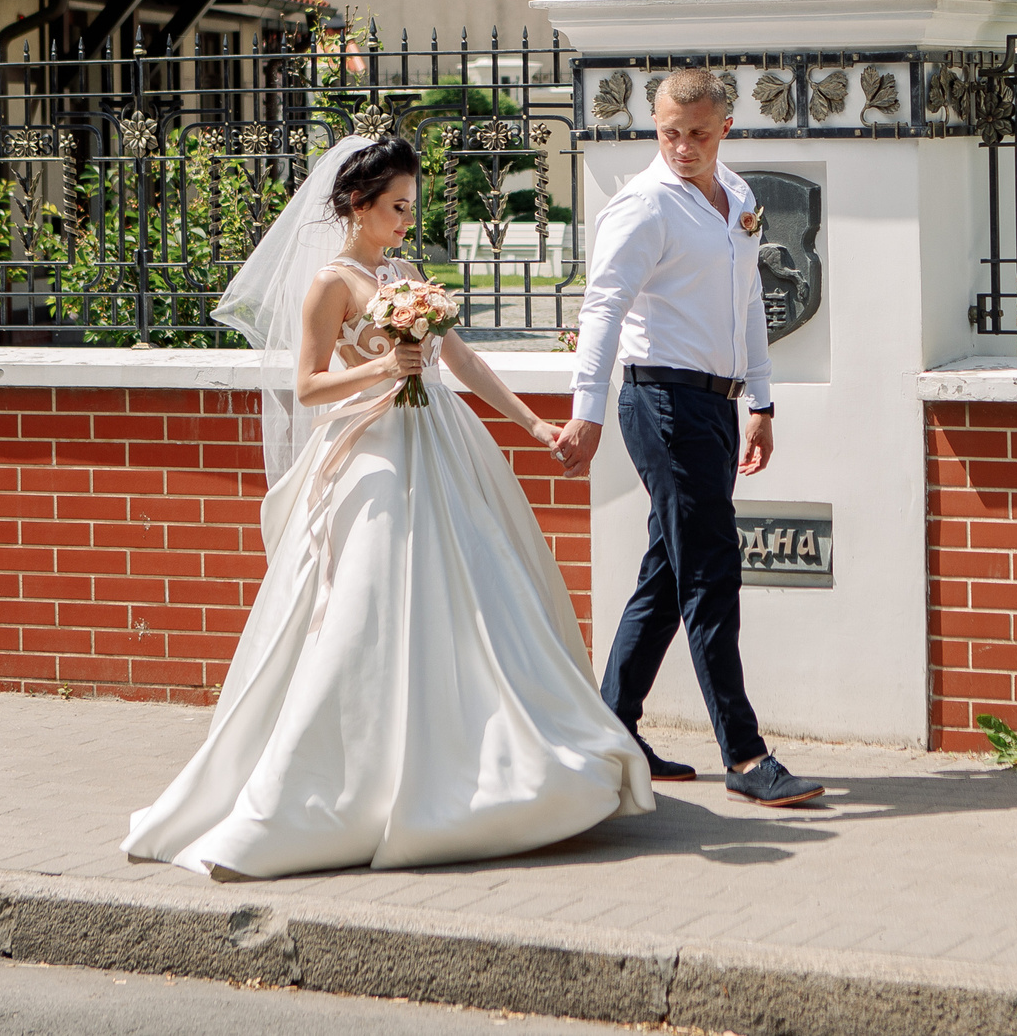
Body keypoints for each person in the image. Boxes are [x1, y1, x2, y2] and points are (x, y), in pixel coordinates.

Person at [123, 135, 652, 878]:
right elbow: (306, 386)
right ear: (359, 204)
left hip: (440, 439)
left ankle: (488, 756)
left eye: (412, 205)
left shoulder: (405, 273)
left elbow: (459, 358)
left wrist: (534, 425)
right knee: (369, 604)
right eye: (397, 206)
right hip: (373, 453)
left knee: (480, 592)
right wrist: (381, 365)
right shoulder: (329, 284)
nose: (408, 218)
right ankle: (342, 785)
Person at [552, 68, 824, 808]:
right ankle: (744, 752)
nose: (681, 146)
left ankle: (611, 725)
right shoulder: (643, 205)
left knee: (670, 571)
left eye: (697, 133)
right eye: (669, 132)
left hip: (715, 406)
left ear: (724, 127)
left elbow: (748, 309)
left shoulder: (735, 197)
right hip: (659, 400)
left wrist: (762, 401)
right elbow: (603, 307)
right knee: (711, 567)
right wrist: (587, 409)